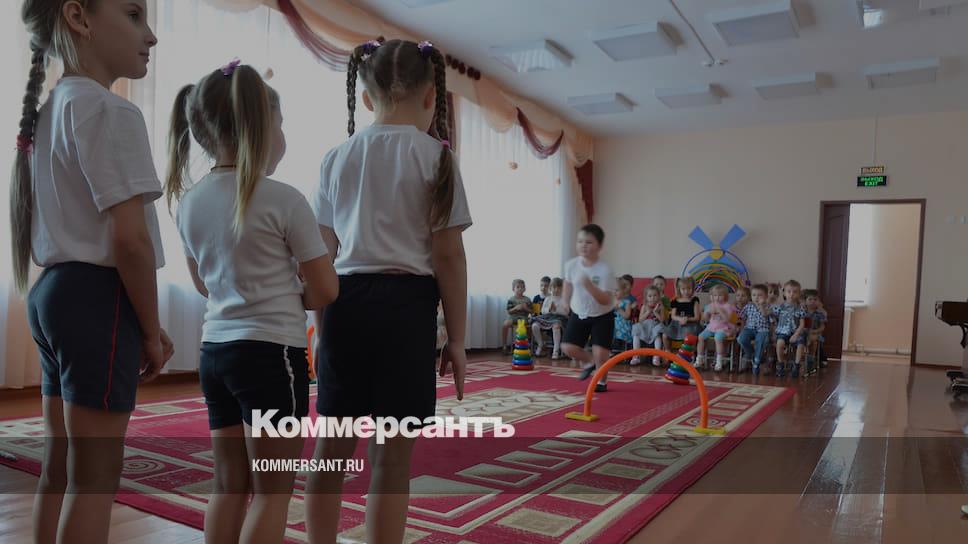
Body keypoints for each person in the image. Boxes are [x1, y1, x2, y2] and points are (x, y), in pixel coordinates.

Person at [14, 2, 173, 542]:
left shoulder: (50, 109)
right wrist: (149, 330)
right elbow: (130, 241)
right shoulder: (110, 110)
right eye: (133, 14)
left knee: (59, 469)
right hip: (96, 298)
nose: (150, 35)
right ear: (79, 18)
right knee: (95, 479)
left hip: (53, 297)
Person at [305, 38, 472, 544]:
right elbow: (448, 255)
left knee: (332, 448)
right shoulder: (437, 158)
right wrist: (457, 339)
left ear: (367, 98)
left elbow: (321, 254)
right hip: (407, 310)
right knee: (392, 458)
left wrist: (320, 327)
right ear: (431, 98)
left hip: (344, 305)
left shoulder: (336, 157)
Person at [166, 61, 338, 543]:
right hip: (270, 357)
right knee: (272, 491)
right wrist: (293, 289)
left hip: (215, 354)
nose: (283, 136)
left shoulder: (190, 202)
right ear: (262, 128)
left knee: (228, 484)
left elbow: (203, 284)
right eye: (280, 124)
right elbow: (325, 290)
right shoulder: (284, 199)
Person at [561, 224, 616, 393]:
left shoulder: (605, 270)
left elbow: (606, 300)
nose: (583, 245)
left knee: (601, 354)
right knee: (567, 347)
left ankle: (602, 382)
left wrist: (590, 286)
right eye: (580, 241)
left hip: (602, 315)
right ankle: (590, 362)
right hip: (579, 312)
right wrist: (565, 301)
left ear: (599, 246)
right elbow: (568, 283)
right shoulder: (571, 265)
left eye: (589, 242)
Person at [695, 284, 737, 371]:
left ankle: (719, 360)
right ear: (711, 296)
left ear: (725, 296)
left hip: (723, 327)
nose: (717, 298)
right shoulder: (710, 305)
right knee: (701, 337)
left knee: (718, 338)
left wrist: (720, 311)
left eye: (720, 295)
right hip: (711, 327)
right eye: (715, 295)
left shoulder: (727, 306)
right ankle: (699, 358)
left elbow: (727, 319)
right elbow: (705, 320)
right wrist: (707, 313)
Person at [773, 280, 806, 377]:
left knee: (800, 344)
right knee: (780, 343)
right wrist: (774, 331)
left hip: (796, 332)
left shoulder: (800, 308)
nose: (791, 294)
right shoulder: (780, 307)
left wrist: (796, 335)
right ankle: (780, 364)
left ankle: (796, 366)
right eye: (789, 291)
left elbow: (802, 324)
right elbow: (773, 319)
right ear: (784, 293)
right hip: (783, 332)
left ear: (799, 294)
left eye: (795, 292)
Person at [738, 284, 772, 375]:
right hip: (749, 328)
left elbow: (766, 315)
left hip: (763, 329)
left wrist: (761, 306)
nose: (756, 297)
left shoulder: (769, 306)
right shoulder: (748, 306)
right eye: (754, 295)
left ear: (766, 296)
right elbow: (742, 318)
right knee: (741, 339)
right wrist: (742, 329)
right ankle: (753, 355)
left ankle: (756, 362)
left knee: (760, 341)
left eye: (760, 295)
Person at [630, 286, 667, 366]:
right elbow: (640, 320)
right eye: (650, 296)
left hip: (655, 326)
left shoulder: (660, 306)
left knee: (657, 334)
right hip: (645, 326)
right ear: (646, 297)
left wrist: (655, 312)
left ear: (659, 296)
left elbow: (662, 320)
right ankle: (636, 356)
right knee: (636, 330)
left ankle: (656, 356)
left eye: (655, 295)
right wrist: (648, 312)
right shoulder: (644, 306)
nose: (652, 298)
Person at [532, 277, 567, 358]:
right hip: (548, 317)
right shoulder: (548, 298)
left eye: (559, 288)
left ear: (562, 289)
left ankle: (556, 350)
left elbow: (566, 312)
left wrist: (555, 310)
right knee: (534, 325)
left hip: (559, 318)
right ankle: (540, 344)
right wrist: (549, 309)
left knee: (556, 326)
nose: (556, 290)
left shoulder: (564, 299)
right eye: (554, 287)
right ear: (550, 288)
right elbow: (543, 311)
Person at [502, 279, 531, 353]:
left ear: (525, 289)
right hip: (513, 317)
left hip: (524, 317)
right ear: (513, 289)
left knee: (524, 326)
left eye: (522, 287)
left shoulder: (527, 299)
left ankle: (525, 344)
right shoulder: (511, 299)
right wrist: (515, 308)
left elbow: (531, 311)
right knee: (505, 324)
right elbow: (509, 311)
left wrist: (525, 308)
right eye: (518, 287)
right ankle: (504, 344)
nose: (520, 289)